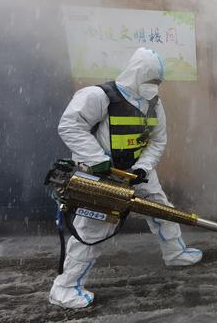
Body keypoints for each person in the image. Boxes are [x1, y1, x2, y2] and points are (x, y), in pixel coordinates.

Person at [49, 47, 202, 309]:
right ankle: (65, 288)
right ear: (135, 74)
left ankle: (175, 253)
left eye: (157, 81)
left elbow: (157, 140)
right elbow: (70, 126)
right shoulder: (100, 97)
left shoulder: (154, 103)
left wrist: (143, 167)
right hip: (103, 177)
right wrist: (99, 161)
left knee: (162, 210)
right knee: (92, 232)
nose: (154, 86)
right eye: (150, 80)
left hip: (137, 173)